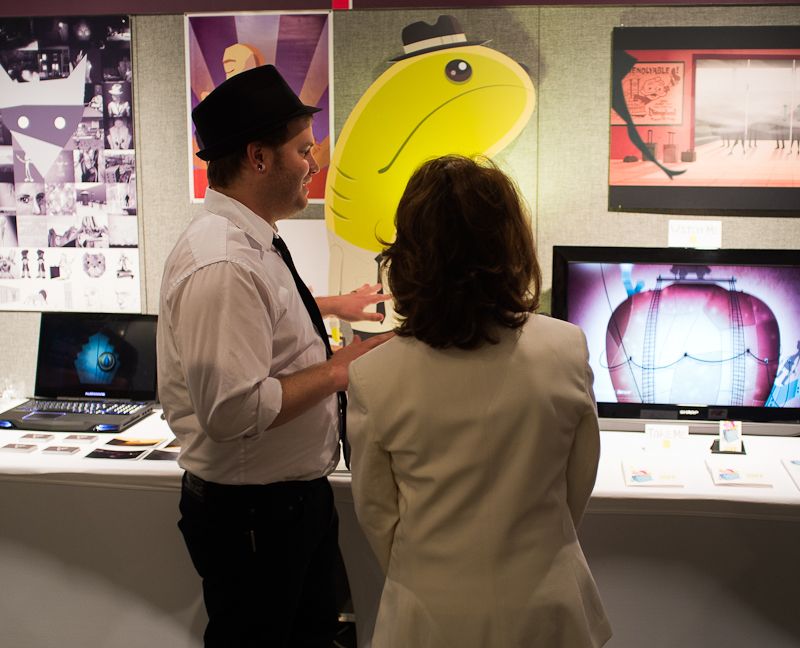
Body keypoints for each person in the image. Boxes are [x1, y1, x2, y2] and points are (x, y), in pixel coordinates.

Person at [157, 64, 392, 648]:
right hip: (255, 519)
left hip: (285, 507)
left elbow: (267, 315)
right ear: (258, 158)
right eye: (303, 150)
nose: (314, 164)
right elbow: (233, 410)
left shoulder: (250, 241)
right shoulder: (223, 262)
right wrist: (343, 368)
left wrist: (334, 305)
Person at [348, 155, 612, 647]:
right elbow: (577, 484)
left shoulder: (372, 376)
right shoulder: (567, 348)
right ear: (511, 244)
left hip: (429, 616)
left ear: (409, 255)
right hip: (547, 606)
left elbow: (377, 516)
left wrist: (430, 571)